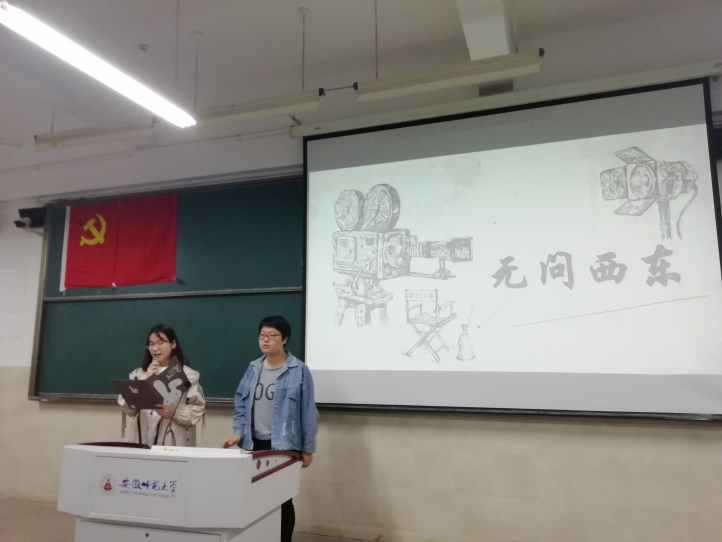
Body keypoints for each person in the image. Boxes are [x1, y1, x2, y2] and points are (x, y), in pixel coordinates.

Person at [222, 315, 318, 542]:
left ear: (284, 339)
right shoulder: (253, 368)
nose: (265, 340)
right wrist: (238, 432)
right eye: (262, 335)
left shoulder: (299, 370)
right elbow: (241, 402)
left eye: (272, 335)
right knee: (254, 496)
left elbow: (308, 411)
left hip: (284, 445)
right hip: (253, 443)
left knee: (282, 499)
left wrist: (308, 449)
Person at [118, 324, 205, 446]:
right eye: (151, 344)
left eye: (160, 343)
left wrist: (174, 412)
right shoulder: (139, 374)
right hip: (142, 440)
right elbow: (128, 408)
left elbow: (197, 409)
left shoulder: (186, 375)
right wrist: (145, 380)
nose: (155, 348)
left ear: (173, 344)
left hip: (172, 443)